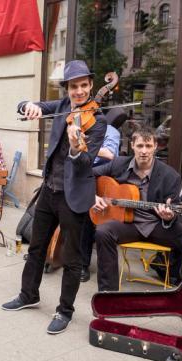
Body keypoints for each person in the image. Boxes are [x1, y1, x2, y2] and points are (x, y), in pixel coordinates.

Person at [1, 60, 107, 335]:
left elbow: (86, 163)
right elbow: (26, 106)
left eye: (84, 85)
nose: (80, 91)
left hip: (74, 197)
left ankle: (65, 311)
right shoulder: (61, 107)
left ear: (91, 85)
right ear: (68, 88)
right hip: (49, 190)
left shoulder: (99, 120)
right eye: (74, 86)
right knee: (36, 247)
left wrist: (75, 147)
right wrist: (28, 106)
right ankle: (28, 295)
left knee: (71, 258)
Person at [92, 126, 182, 291]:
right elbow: (88, 174)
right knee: (103, 232)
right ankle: (107, 293)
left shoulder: (170, 175)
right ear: (132, 145)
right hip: (128, 224)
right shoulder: (118, 164)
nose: (144, 151)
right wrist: (93, 196)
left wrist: (169, 216)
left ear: (155, 146)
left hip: (157, 225)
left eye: (148, 146)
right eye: (140, 146)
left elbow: (174, 206)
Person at [80, 108, 124, 282]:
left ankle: (84, 265)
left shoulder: (111, 131)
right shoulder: (81, 129)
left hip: (100, 176)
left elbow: (110, 154)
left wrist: (85, 147)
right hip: (80, 174)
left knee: (88, 220)